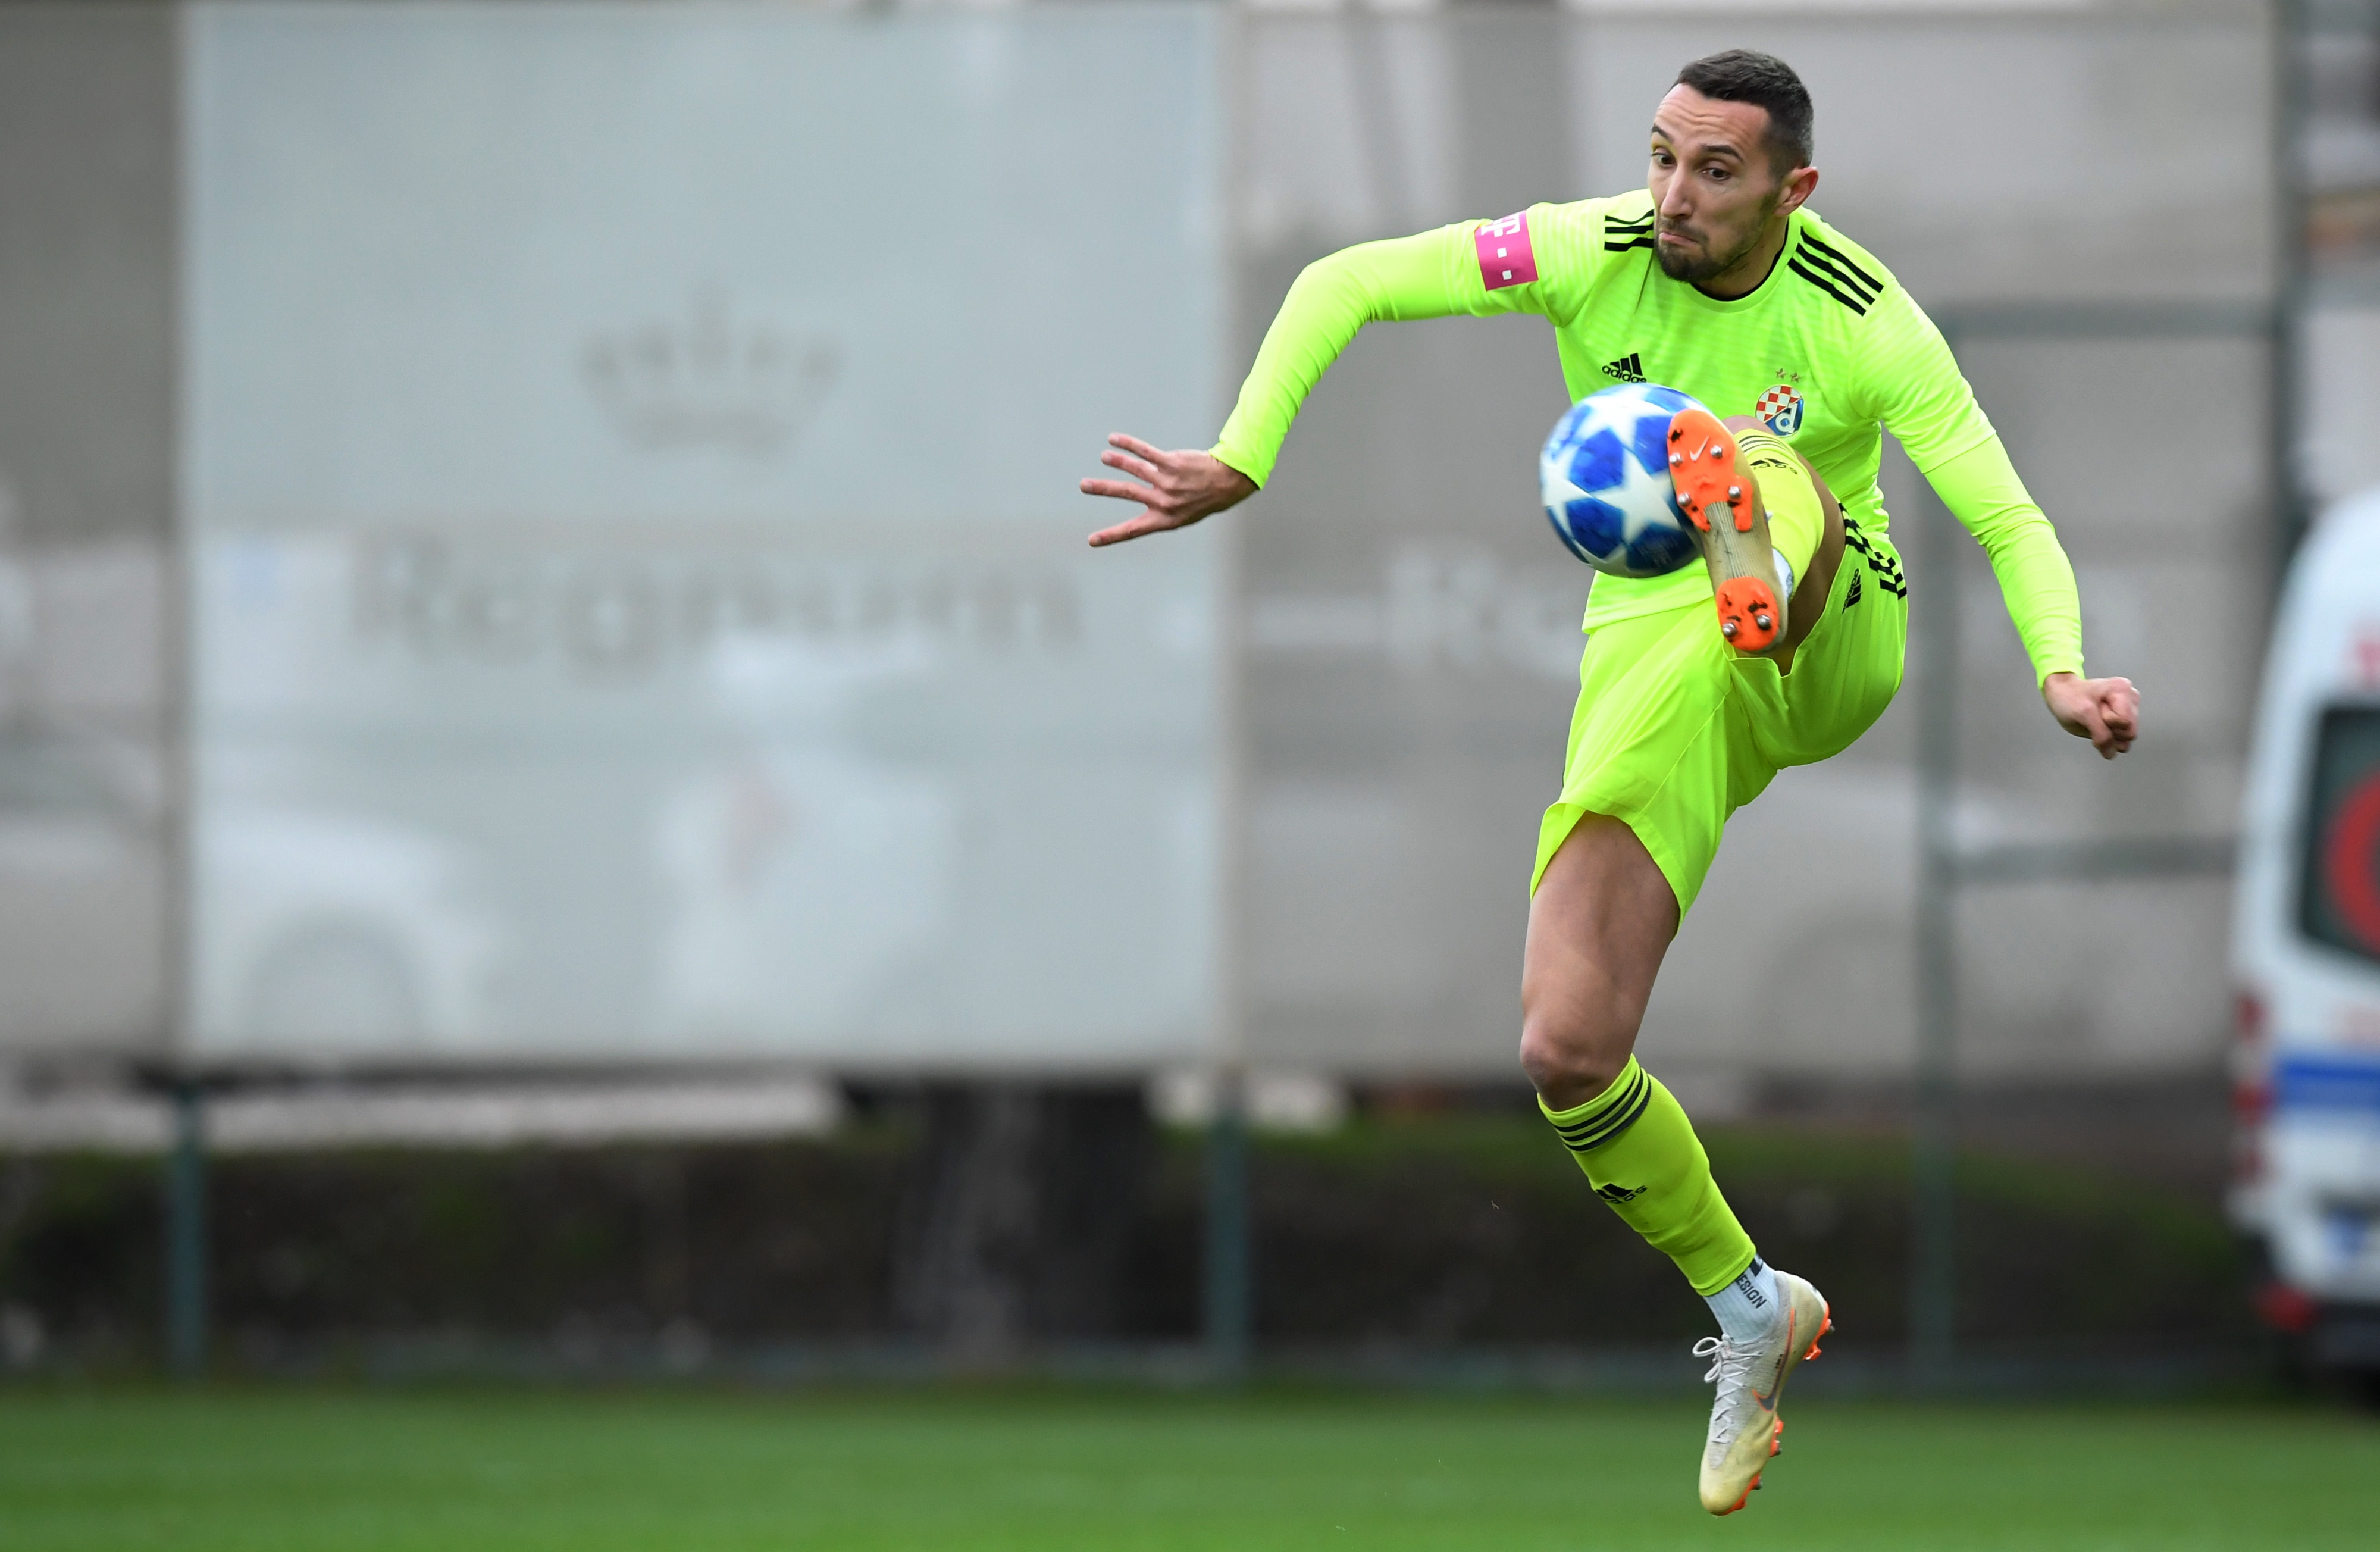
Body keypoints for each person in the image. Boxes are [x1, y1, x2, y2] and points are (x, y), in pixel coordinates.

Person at [1080, 49, 2140, 1515]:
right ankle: (1749, 1304)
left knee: (1761, 470)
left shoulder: (1859, 314)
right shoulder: (1591, 248)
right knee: (1564, 1045)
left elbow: (2004, 513)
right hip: (1655, 641)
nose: (1672, 194)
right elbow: (1346, 280)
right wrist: (1245, 453)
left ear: (1792, 189)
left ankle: (1742, 518)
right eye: (1659, 156)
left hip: (1832, 621)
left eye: (1714, 170)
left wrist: (2060, 670)